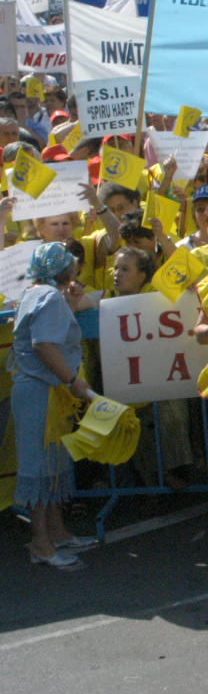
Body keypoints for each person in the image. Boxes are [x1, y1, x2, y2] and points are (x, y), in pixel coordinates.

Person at [9, 243, 96, 568]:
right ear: (65, 269)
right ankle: (41, 543)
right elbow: (44, 344)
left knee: (53, 465)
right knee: (40, 468)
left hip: (41, 392)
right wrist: (72, 380)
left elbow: (50, 332)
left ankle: (57, 533)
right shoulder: (47, 297)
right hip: (41, 393)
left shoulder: (39, 293)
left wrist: (69, 302)